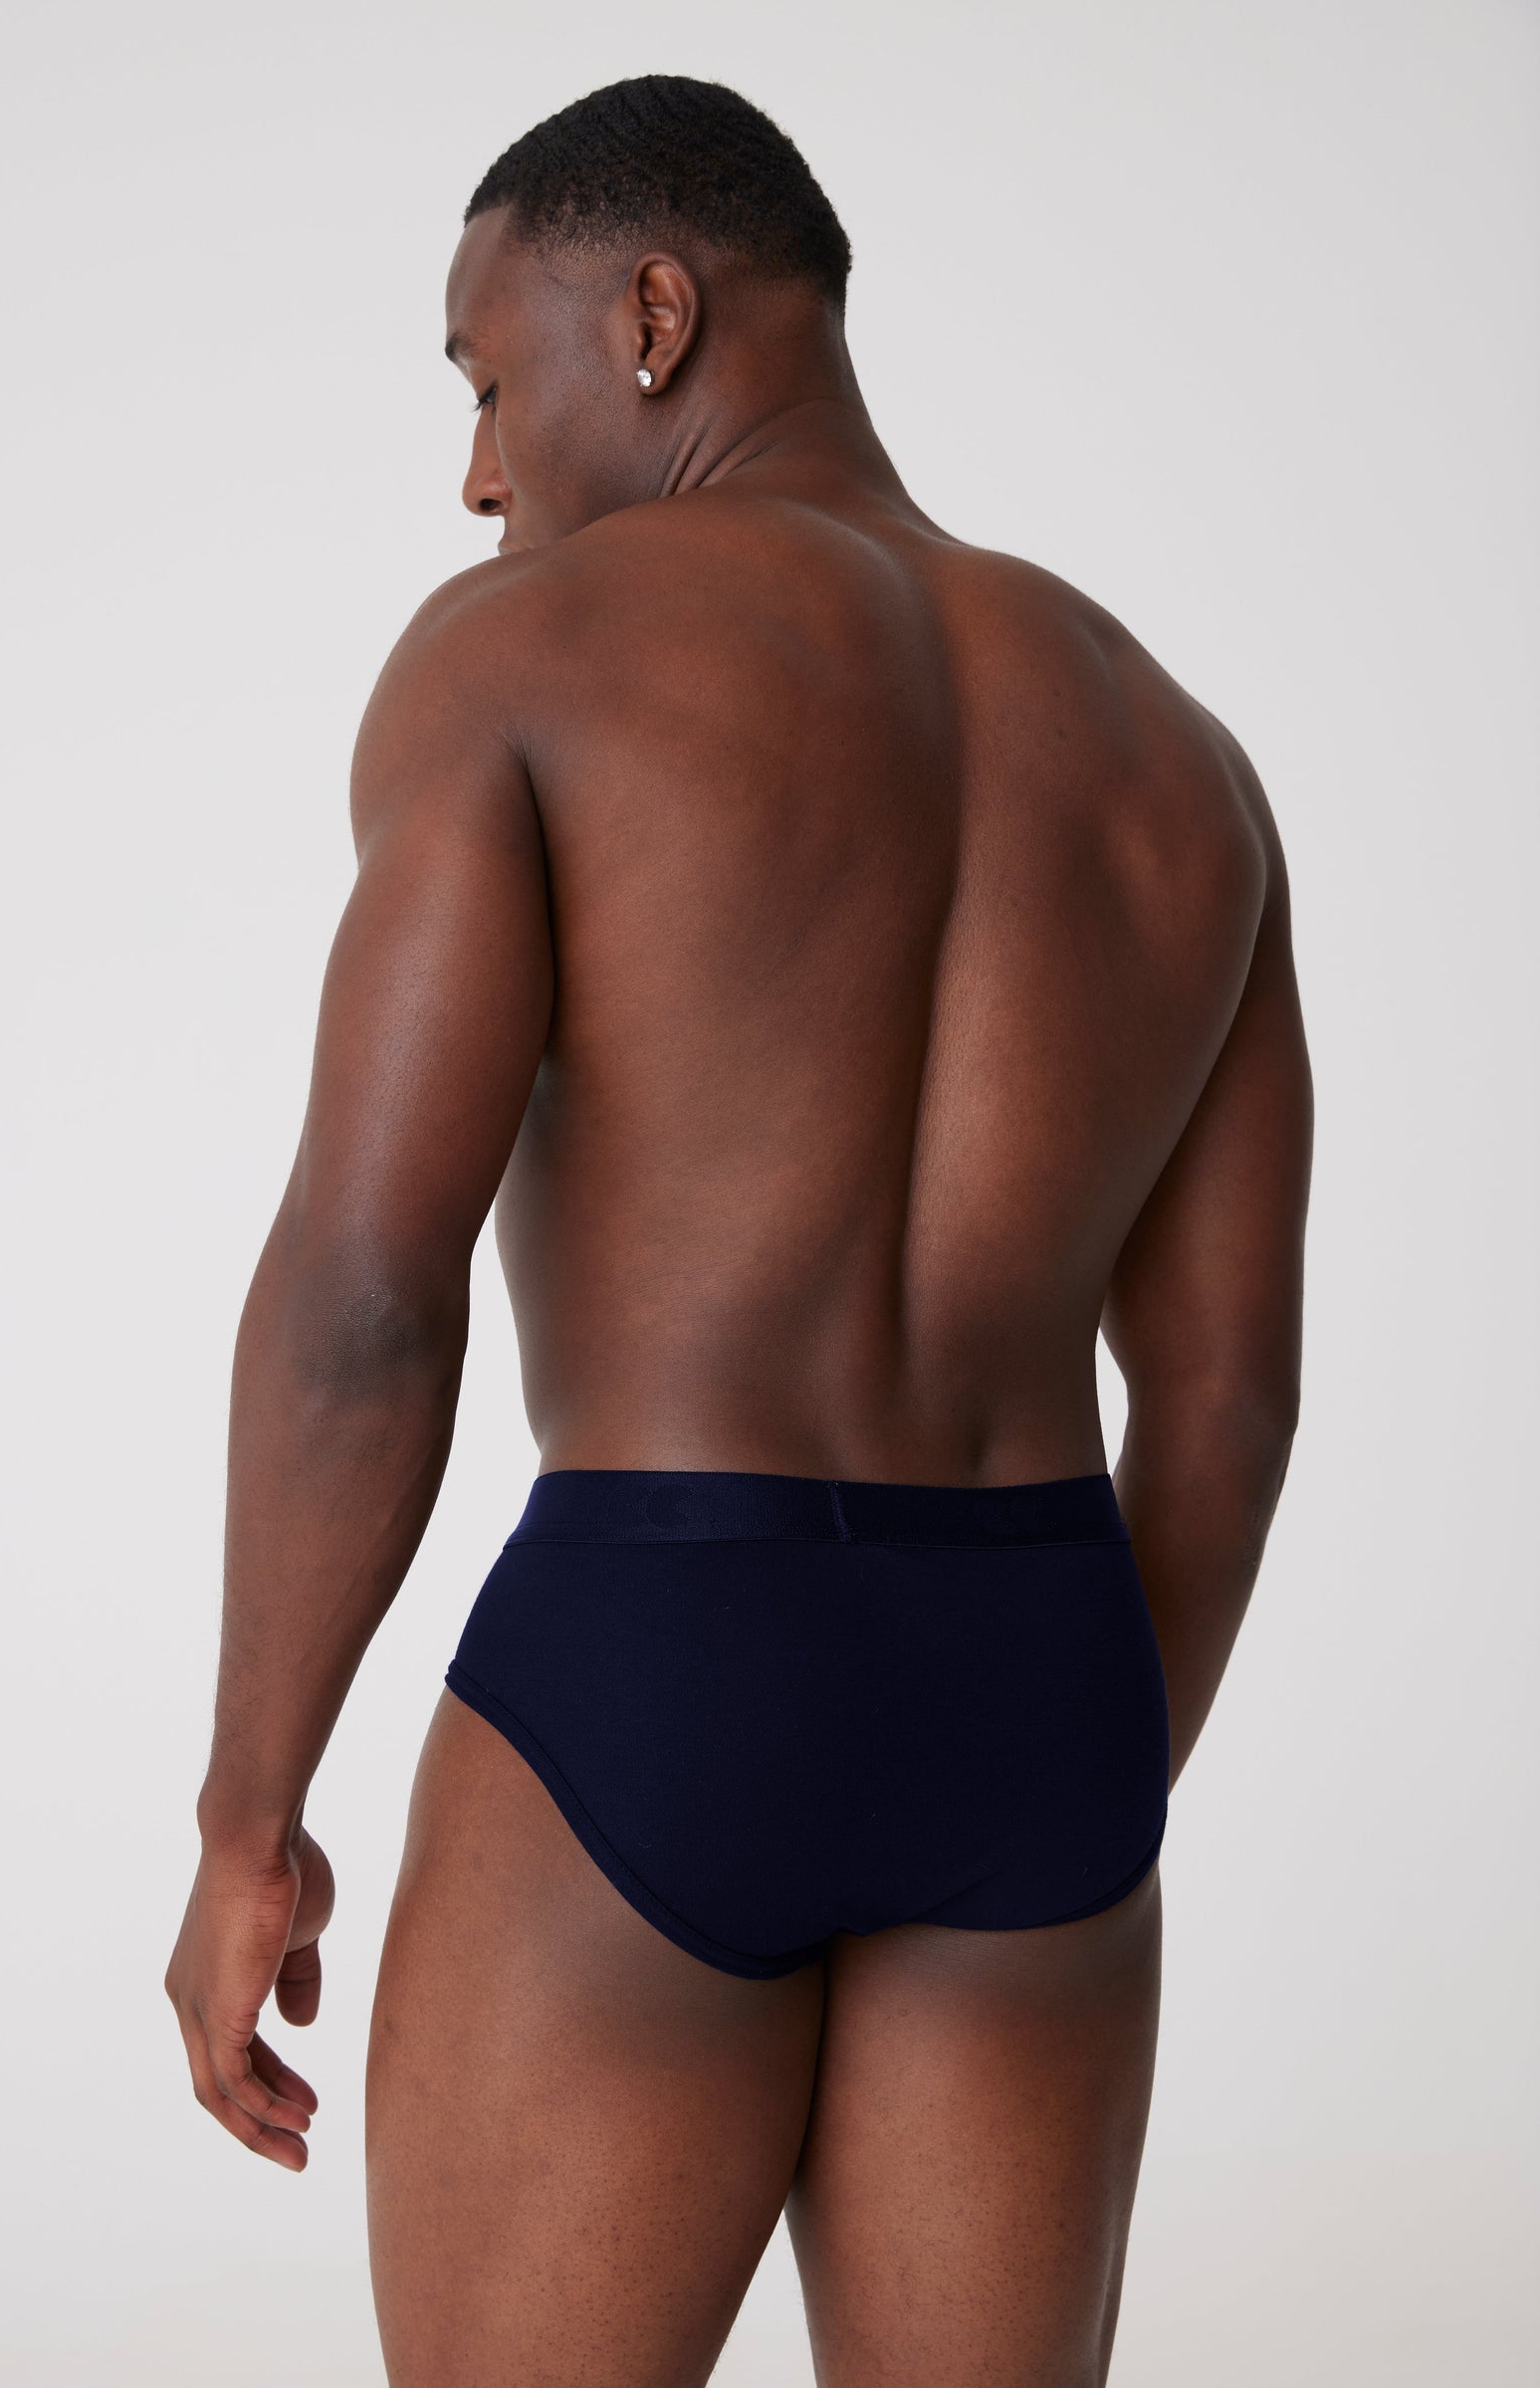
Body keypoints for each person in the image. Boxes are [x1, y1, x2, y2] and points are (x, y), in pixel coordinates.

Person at [164, 73, 1312, 2387]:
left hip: (660, 1657)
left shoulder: (524, 657)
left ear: (655, 316)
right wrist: (1052, 1766)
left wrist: (244, 1814)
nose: (476, 472)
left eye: (488, 383)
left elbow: (366, 1297)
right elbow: (1220, 1396)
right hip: (1040, 1678)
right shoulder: (1172, 753)